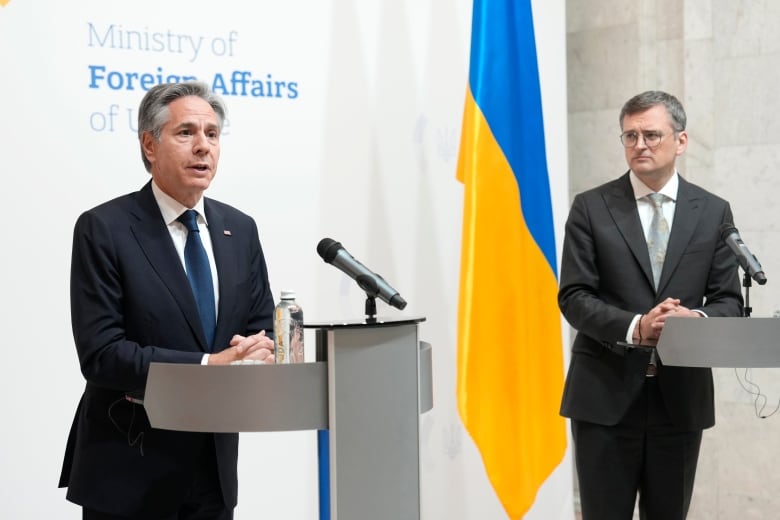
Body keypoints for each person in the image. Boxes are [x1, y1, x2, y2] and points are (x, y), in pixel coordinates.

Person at [59, 81, 276, 519]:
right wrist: (205, 366)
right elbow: (102, 355)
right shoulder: (105, 228)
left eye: (212, 134)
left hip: (212, 474)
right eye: (186, 133)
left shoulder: (240, 229)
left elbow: (261, 327)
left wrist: (262, 349)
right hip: (129, 472)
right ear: (149, 144)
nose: (203, 147)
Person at [558, 90, 743, 519]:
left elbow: (728, 301)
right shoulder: (591, 207)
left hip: (679, 403)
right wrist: (637, 326)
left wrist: (691, 320)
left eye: (651, 135)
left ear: (680, 141)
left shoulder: (713, 212)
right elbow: (574, 296)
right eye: (630, 136)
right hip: (603, 398)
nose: (639, 144)